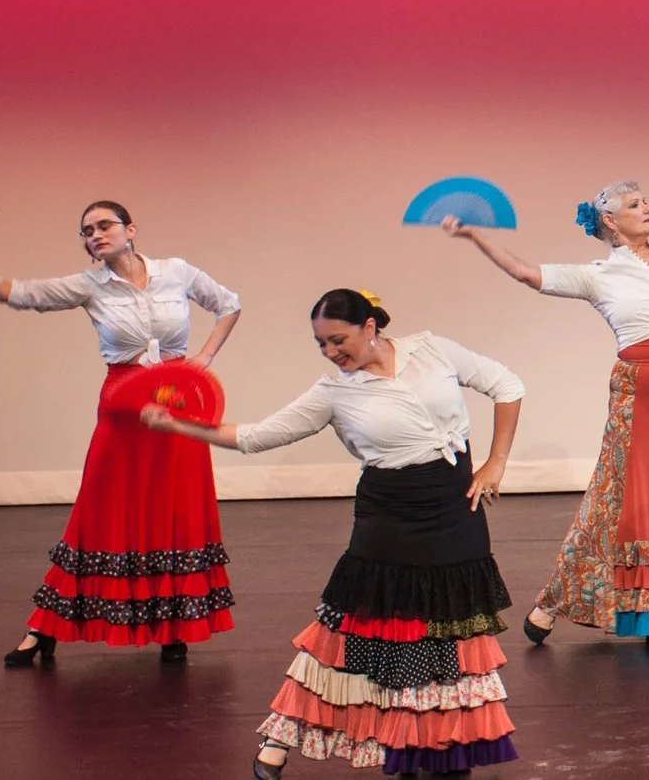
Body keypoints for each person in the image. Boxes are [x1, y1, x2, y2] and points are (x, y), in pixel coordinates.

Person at [140, 288, 525, 779]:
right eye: (321, 344)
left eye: (337, 339)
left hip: (455, 510)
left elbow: (508, 384)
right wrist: (177, 424)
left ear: (370, 327)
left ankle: (434, 745)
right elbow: (257, 437)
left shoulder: (432, 349)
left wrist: (496, 462)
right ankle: (282, 734)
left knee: (446, 633)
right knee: (357, 631)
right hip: (389, 518)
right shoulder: (333, 392)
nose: (330, 353)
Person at [0, 200, 241, 667]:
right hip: (123, 409)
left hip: (177, 406)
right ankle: (44, 627)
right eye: (87, 231)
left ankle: (173, 627)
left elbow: (229, 304)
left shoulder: (176, 271)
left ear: (131, 229)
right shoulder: (88, 285)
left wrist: (202, 358)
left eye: (105, 226)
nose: (95, 235)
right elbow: (9, 293)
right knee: (97, 514)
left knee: (174, 511)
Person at [444, 179, 649, 642]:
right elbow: (527, 273)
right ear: (610, 220)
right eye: (633, 204)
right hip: (639, 394)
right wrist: (476, 236)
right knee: (620, 504)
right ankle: (554, 601)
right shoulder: (598, 275)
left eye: (646, 199)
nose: (646, 207)